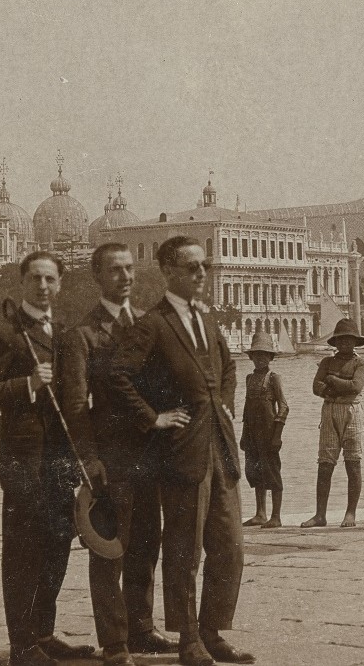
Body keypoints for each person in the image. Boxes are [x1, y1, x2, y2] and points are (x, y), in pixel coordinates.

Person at [109, 236, 254, 666]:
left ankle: (212, 632)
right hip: (180, 452)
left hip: (220, 448)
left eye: (203, 266)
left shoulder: (206, 320)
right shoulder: (152, 324)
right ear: (170, 272)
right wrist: (154, 418)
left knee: (230, 546)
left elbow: (228, 367)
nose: (201, 274)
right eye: (192, 268)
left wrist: (225, 404)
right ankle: (189, 638)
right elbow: (118, 376)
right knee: (184, 550)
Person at [0, 251, 100, 666]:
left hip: (60, 456)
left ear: (60, 285)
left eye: (50, 280)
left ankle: (44, 633)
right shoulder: (6, 333)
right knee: (24, 551)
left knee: (58, 545)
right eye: (35, 279)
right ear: (23, 283)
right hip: (24, 458)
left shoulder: (64, 333)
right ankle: (21, 644)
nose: (43, 287)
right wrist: (26, 383)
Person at [62, 243, 177, 666]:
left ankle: (142, 630)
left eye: (130, 269)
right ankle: (114, 642)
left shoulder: (150, 324)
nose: (126, 277)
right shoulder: (83, 335)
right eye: (115, 270)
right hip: (110, 460)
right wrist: (88, 460)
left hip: (151, 456)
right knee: (111, 549)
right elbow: (75, 406)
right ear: (97, 276)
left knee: (148, 543)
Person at [300, 318, 364, 529]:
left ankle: (350, 512)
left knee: (353, 462)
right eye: (341, 340)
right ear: (335, 343)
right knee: (325, 464)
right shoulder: (326, 363)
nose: (345, 344)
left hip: (351, 411)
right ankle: (320, 514)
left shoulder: (360, 363)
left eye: (349, 341)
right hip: (329, 411)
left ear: (355, 343)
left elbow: (356, 387)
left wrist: (332, 380)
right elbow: (315, 387)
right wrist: (337, 385)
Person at [239, 330, 288, 528]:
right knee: (254, 471)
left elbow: (283, 407)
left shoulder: (273, 378)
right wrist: (244, 435)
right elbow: (245, 408)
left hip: (269, 433)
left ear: (270, 357)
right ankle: (260, 513)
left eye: (264, 355)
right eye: (256, 355)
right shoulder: (249, 378)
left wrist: (277, 436)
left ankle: (276, 516)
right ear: (251, 357)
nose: (260, 359)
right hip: (252, 432)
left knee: (272, 472)